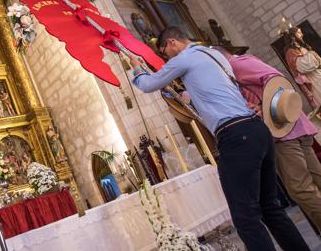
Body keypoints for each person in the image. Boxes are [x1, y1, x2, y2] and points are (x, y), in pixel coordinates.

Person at [130, 26, 308, 251]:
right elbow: (208, 93)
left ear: (172, 42)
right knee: (271, 209)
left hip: (236, 135)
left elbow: (147, 84)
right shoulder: (213, 54)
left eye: (165, 51)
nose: (167, 57)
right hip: (256, 130)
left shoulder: (184, 58)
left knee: (246, 218)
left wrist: (136, 69)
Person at [216, 48, 321, 231]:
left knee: (301, 189)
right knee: (315, 179)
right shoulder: (236, 66)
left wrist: (263, 107)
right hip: (291, 127)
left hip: (283, 131)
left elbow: (275, 79)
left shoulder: (236, 64)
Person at [284, 27, 321, 113]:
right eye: (299, 33)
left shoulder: (302, 47)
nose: (302, 34)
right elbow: (305, 67)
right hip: (313, 81)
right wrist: (312, 55)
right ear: (293, 36)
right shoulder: (290, 52)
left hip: (318, 74)